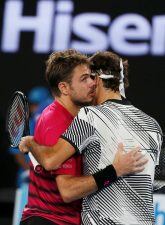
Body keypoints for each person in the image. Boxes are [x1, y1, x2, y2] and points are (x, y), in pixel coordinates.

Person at [18, 51, 155, 225]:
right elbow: (67, 189)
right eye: (84, 79)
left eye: (92, 77)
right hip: (48, 220)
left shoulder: (84, 118)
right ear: (64, 88)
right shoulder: (57, 121)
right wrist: (115, 170)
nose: (92, 83)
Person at [10, 86, 51, 225]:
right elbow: (17, 154)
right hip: (27, 184)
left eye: (37, 103)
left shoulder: (50, 122)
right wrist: (31, 170)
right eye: (32, 103)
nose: (34, 107)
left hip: (47, 186)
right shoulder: (22, 124)